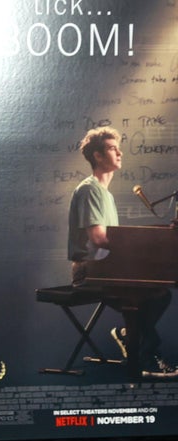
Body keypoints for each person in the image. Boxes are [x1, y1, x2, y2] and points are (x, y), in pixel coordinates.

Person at [67, 126, 175, 378]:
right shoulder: (90, 190)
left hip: (105, 267)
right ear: (98, 156)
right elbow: (100, 239)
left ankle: (131, 339)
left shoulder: (105, 194)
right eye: (112, 148)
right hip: (88, 271)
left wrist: (162, 235)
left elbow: (115, 241)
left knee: (160, 294)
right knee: (150, 296)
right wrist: (150, 243)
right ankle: (145, 356)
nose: (120, 153)